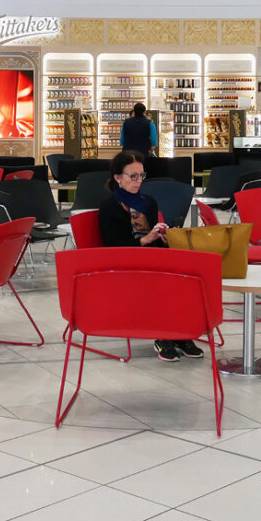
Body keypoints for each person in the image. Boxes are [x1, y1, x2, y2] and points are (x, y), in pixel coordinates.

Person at [97, 150, 203, 363]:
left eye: (141, 176)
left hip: (149, 259)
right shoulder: (109, 207)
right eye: (132, 176)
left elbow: (152, 240)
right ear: (118, 178)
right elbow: (113, 247)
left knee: (187, 276)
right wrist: (144, 241)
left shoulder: (148, 201)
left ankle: (181, 334)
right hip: (124, 263)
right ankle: (165, 335)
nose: (138, 181)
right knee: (165, 282)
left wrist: (162, 236)